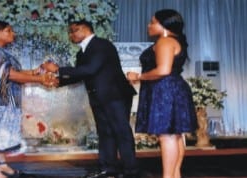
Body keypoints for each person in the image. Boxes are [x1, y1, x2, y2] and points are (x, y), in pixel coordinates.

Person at [42, 20, 138, 178]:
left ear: (86, 30)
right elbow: (82, 74)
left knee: (121, 132)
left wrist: (58, 69)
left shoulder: (101, 45)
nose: (71, 35)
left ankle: (131, 171)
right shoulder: (81, 52)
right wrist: (57, 81)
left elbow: (91, 69)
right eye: (70, 32)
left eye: (74, 31)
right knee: (105, 132)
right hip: (98, 96)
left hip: (115, 95)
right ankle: (108, 169)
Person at [0, 20, 58, 178]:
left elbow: (17, 72)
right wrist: (41, 79)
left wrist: (41, 70)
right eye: (9, 30)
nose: (13, 34)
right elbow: (10, 75)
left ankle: (1, 164)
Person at [126, 9, 197, 178]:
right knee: (175, 135)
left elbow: (163, 70)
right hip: (171, 89)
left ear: (163, 25)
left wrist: (139, 76)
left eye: (152, 22)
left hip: (165, 91)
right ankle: (174, 175)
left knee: (168, 137)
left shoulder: (165, 42)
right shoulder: (172, 41)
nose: (148, 25)